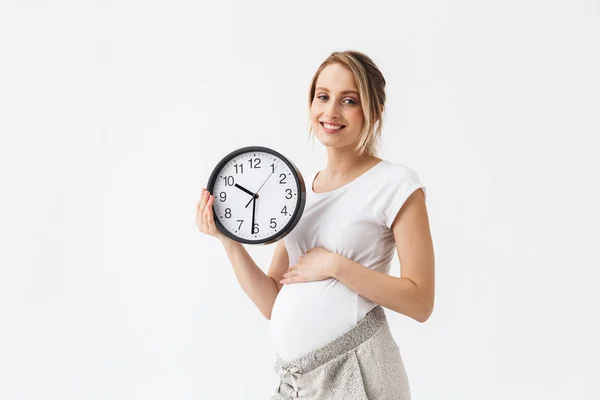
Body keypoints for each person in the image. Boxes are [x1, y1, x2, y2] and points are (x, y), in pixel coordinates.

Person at [196, 50, 435, 400]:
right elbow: (271, 303)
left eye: (349, 100)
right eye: (322, 97)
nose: (331, 111)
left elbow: (420, 301)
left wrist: (335, 265)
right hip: (298, 382)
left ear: (375, 111)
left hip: (358, 370)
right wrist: (227, 240)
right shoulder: (298, 190)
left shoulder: (395, 183)